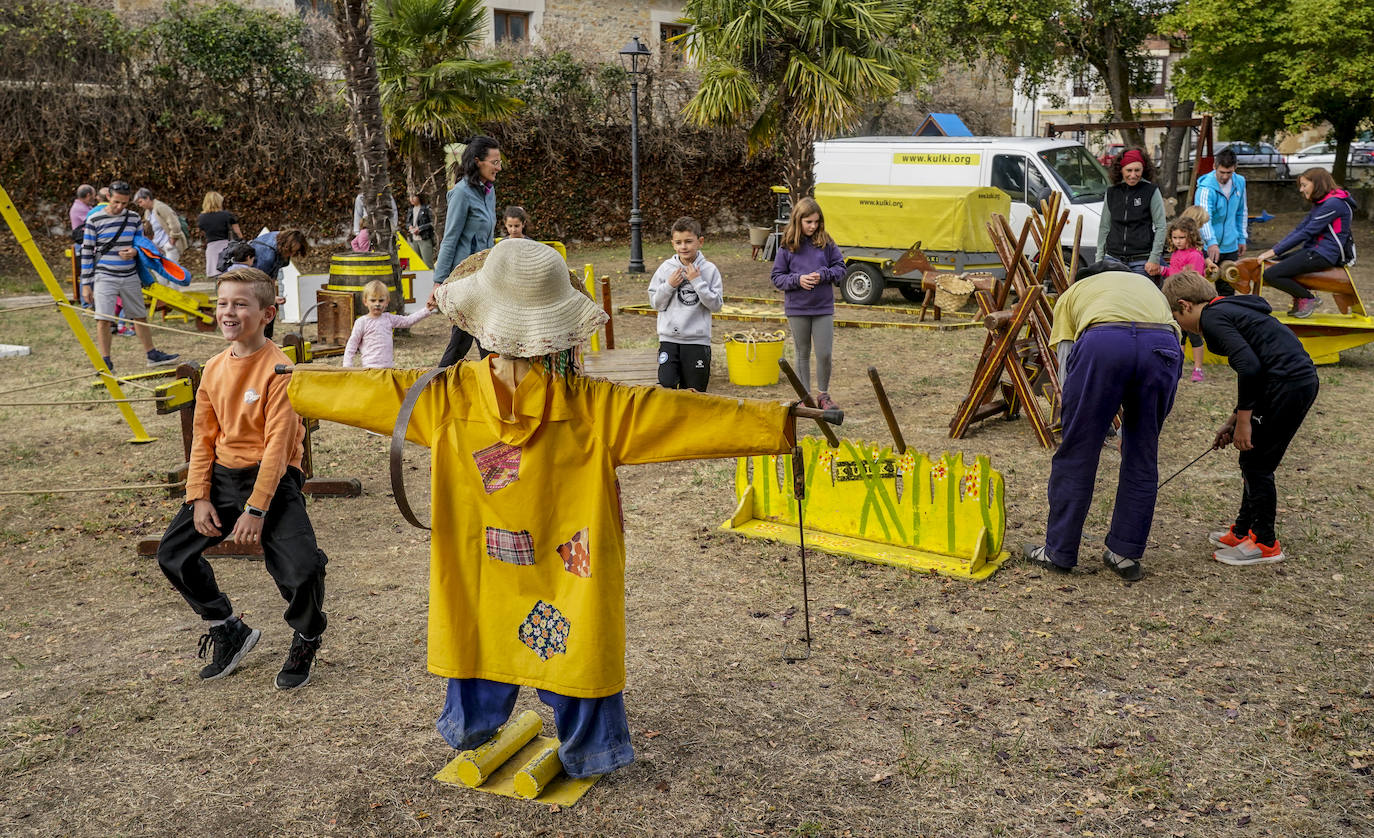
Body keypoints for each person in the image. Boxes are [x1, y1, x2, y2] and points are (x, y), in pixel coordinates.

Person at [287, 237, 796, 778]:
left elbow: (366, 389)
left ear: (480, 320)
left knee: (479, 627)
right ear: (557, 328)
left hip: (479, 560)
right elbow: (680, 414)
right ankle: (590, 748)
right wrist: (776, 422)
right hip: (570, 564)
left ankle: (472, 728)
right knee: (577, 638)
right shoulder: (597, 405)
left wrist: (295, 385)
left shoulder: (439, 396)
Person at [155, 267, 329, 689]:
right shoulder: (214, 369)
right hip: (221, 478)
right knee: (173, 555)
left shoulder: (281, 370)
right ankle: (227, 627)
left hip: (273, 482)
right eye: (222, 303)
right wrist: (199, 495)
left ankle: (307, 634)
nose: (228, 312)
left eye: (240, 304)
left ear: (267, 313)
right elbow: (203, 438)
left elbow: (277, 446)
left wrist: (256, 509)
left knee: (302, 570)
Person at [1022, 263, 1182, 581]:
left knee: (1077, 453)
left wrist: (1079, 418)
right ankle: (1125, 554)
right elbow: (1174, 337)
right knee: (1142, 455)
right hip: (1162, 348)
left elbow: (1067, 364)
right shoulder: (1148, 287)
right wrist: (1137, 430)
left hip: (1104, 343)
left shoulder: (1073, 294)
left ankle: (1059, 552)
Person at [1162, 269, 1319, 565]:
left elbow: (1249, 368)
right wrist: (1234, 420)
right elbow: (1257, 368)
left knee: (1257, 463)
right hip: (1285, 383)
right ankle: (1243, 530)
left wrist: (1245, 423)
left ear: (1184, 306)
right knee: (1251, 460)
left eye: (1177, 317)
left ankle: (1265, 543)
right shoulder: (1226, 309)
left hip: (1288, 385)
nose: (1181, 326)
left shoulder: (1212, 318)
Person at [79, 180, 180, 373]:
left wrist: (134, 251)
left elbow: (141, 244)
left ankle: (152, 355)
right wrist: (86, 284)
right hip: (104, 276)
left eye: (124, 203)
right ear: (108, 196)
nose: (120, 207)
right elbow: (87, 252)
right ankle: (106, 362)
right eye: (117, 202)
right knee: (104, 319)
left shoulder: (133, 218)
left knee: (139, 315)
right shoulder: (94, 220)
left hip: (129, 274)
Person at [431, 136, 501, 366]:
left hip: (485, 277)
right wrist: (439, 281)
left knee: (468, 337)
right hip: (466, 279)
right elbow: (450, 239)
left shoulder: (489, 192)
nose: (498, 167)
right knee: (480, 336)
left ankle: (439, 382)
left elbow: (488, 238)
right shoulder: (461, 193)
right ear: (478, 161)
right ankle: (494, 385)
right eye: (494, 162)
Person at [771, 197, 845, 409]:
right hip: (797, 309)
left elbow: (840, 269)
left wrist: (824, 275)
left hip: (823, 308)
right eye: (808, 222)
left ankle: (823, 395)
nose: (813, 226)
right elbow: (777, 277)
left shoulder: (827, 242)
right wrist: (798, 280)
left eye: (816, 221)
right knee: (802, 352)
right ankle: (805, 398)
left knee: (824, 352)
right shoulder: (787, 246)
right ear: (798, 221)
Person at [1253, 168, 1357, 319]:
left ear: (1317, 184)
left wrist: (1274, 251)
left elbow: (1307, 232)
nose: (1301, 190)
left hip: (1325, 254)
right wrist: (1275, 251)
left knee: (1271, 274)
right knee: (1273, 264)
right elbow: (1300, 229)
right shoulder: (1322, 203)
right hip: (1314, 250)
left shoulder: (1334, 204)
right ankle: (1302, 296)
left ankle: (1307, 297)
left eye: (1304, 185)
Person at [648, 216, 724, 391]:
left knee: (695, 391)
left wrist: (697, 282)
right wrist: (668, 286)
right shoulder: (666, 269)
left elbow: (716, 305)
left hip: (697, 341)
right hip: (669, 339)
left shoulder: (709, 270)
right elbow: (656, 304)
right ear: (673, 244)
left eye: (689, 241)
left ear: (700, 241)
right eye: (679, 242)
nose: (684, 247)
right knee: (666, 385)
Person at [1096, 148, 1167, 280]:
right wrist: (1099, 259)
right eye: (1129, 170)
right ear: (1121, 170)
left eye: (1137, 170)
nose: (1133, 175)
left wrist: (1154, 258)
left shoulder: (1151, 191)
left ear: (1143, 170)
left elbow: (1161, 226)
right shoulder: (1112, 192)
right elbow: (1104, 227)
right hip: (1113, 259)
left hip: (1142, 261)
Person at [342, 279, 436, 368]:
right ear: (365, 301)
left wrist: (426, 310)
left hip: (388, 368)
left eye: (381, 300)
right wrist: (347, 365)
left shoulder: (389, 318)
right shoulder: (361, 322)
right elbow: (352, 345)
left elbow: (407, 321)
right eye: (373, 300)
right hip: (369, 369)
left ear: (387, 302)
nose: (377, 304)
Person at [1194, 147, 1248, 291]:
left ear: (1235, 168)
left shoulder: (1240, 183)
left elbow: (1241, 211)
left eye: (1229, 173)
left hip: (1231, 244)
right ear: (1214, 167)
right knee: (1202, 287)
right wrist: (1211, 242)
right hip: (1207, 246)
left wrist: (1242, 237)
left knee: (1228, 286)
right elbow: (1204, 218)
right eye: (1221, 172)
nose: (1225, 176)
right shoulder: (1205, 188)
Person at [1162, 215, 1208, 382]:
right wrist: (1163, 270)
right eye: (1175, 238)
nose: (1178, 241)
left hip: (1191, 302)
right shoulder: (1175, 254)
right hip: (1176, 300)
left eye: (1182, 237)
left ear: (1191, 236)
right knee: (1178, 335)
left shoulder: (1195, 255)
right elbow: (1174, 272)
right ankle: (1178, 366)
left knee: (1194, 336)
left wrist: (1171, 273)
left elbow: (1191, 278)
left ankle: (1198, 368)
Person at [134, 187, 189, 267]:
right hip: (158, 247)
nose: (140, 205)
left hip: (168, 245)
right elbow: (149, 230)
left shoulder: (161, 207)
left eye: (140, 202)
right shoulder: (147, 212)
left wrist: (172, 241)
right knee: (162, 272)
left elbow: (175, 224)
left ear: (148, 198)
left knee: (171, 271)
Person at [197, 191, 243, 279]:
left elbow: (202, 232)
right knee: (229, 274)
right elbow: (237, 232)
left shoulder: (201, 218)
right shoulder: (226, 215)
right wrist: (242, 241)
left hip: (211, 248)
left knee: (217, 276)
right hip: (225, 246)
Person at [406, 192, 436, 267]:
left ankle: (431, 278)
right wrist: (409, 226)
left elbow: (432, 223)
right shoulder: (411, 210)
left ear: (419, 197)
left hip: (424, 238)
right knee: (416, 263)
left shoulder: (426, 209)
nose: (411, 199)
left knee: (427, 262)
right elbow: (407, 223)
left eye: (414, 196)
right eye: (410, 197)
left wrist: (420, 229)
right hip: (414, 239)